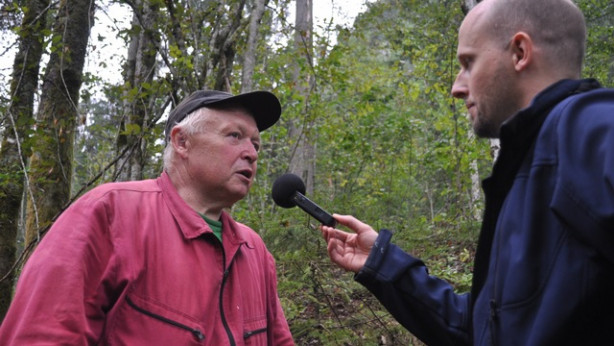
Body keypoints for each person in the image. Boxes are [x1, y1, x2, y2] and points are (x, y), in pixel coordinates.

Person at [321, 0, 614, 345]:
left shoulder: (591, 126)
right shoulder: (529, 166)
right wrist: (382, 263)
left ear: (520, 52)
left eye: (468, 63)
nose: (457, 87)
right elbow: (484, 330)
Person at [0, 90, 295, 345]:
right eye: (235, 136)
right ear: (182, 142)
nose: (252, 154)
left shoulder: (254, 251)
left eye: (255, 144)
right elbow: (40, 336)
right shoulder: (108, 214)